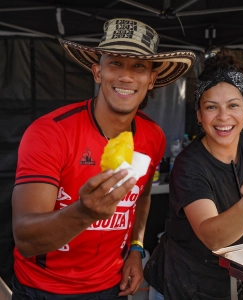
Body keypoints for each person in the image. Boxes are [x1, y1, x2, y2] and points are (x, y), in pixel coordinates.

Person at [11, 18, 196, 299]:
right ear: (97, 72)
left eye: (138, 67)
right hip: (44, 289)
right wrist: (83, 213)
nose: (126, 76)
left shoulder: (152, 136)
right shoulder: (51, 132)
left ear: (151, 79)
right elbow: (25, 239)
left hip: (112, 286)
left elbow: (142, 197)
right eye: (115, 64)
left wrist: (136, 248)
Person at [144, 47, 243, 299]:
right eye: (211, 107)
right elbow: (212, 238)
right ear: (198, 115)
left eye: (233, 105)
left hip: (242, 277)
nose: (223, 117)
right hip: (188, 283)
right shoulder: (189, 165)